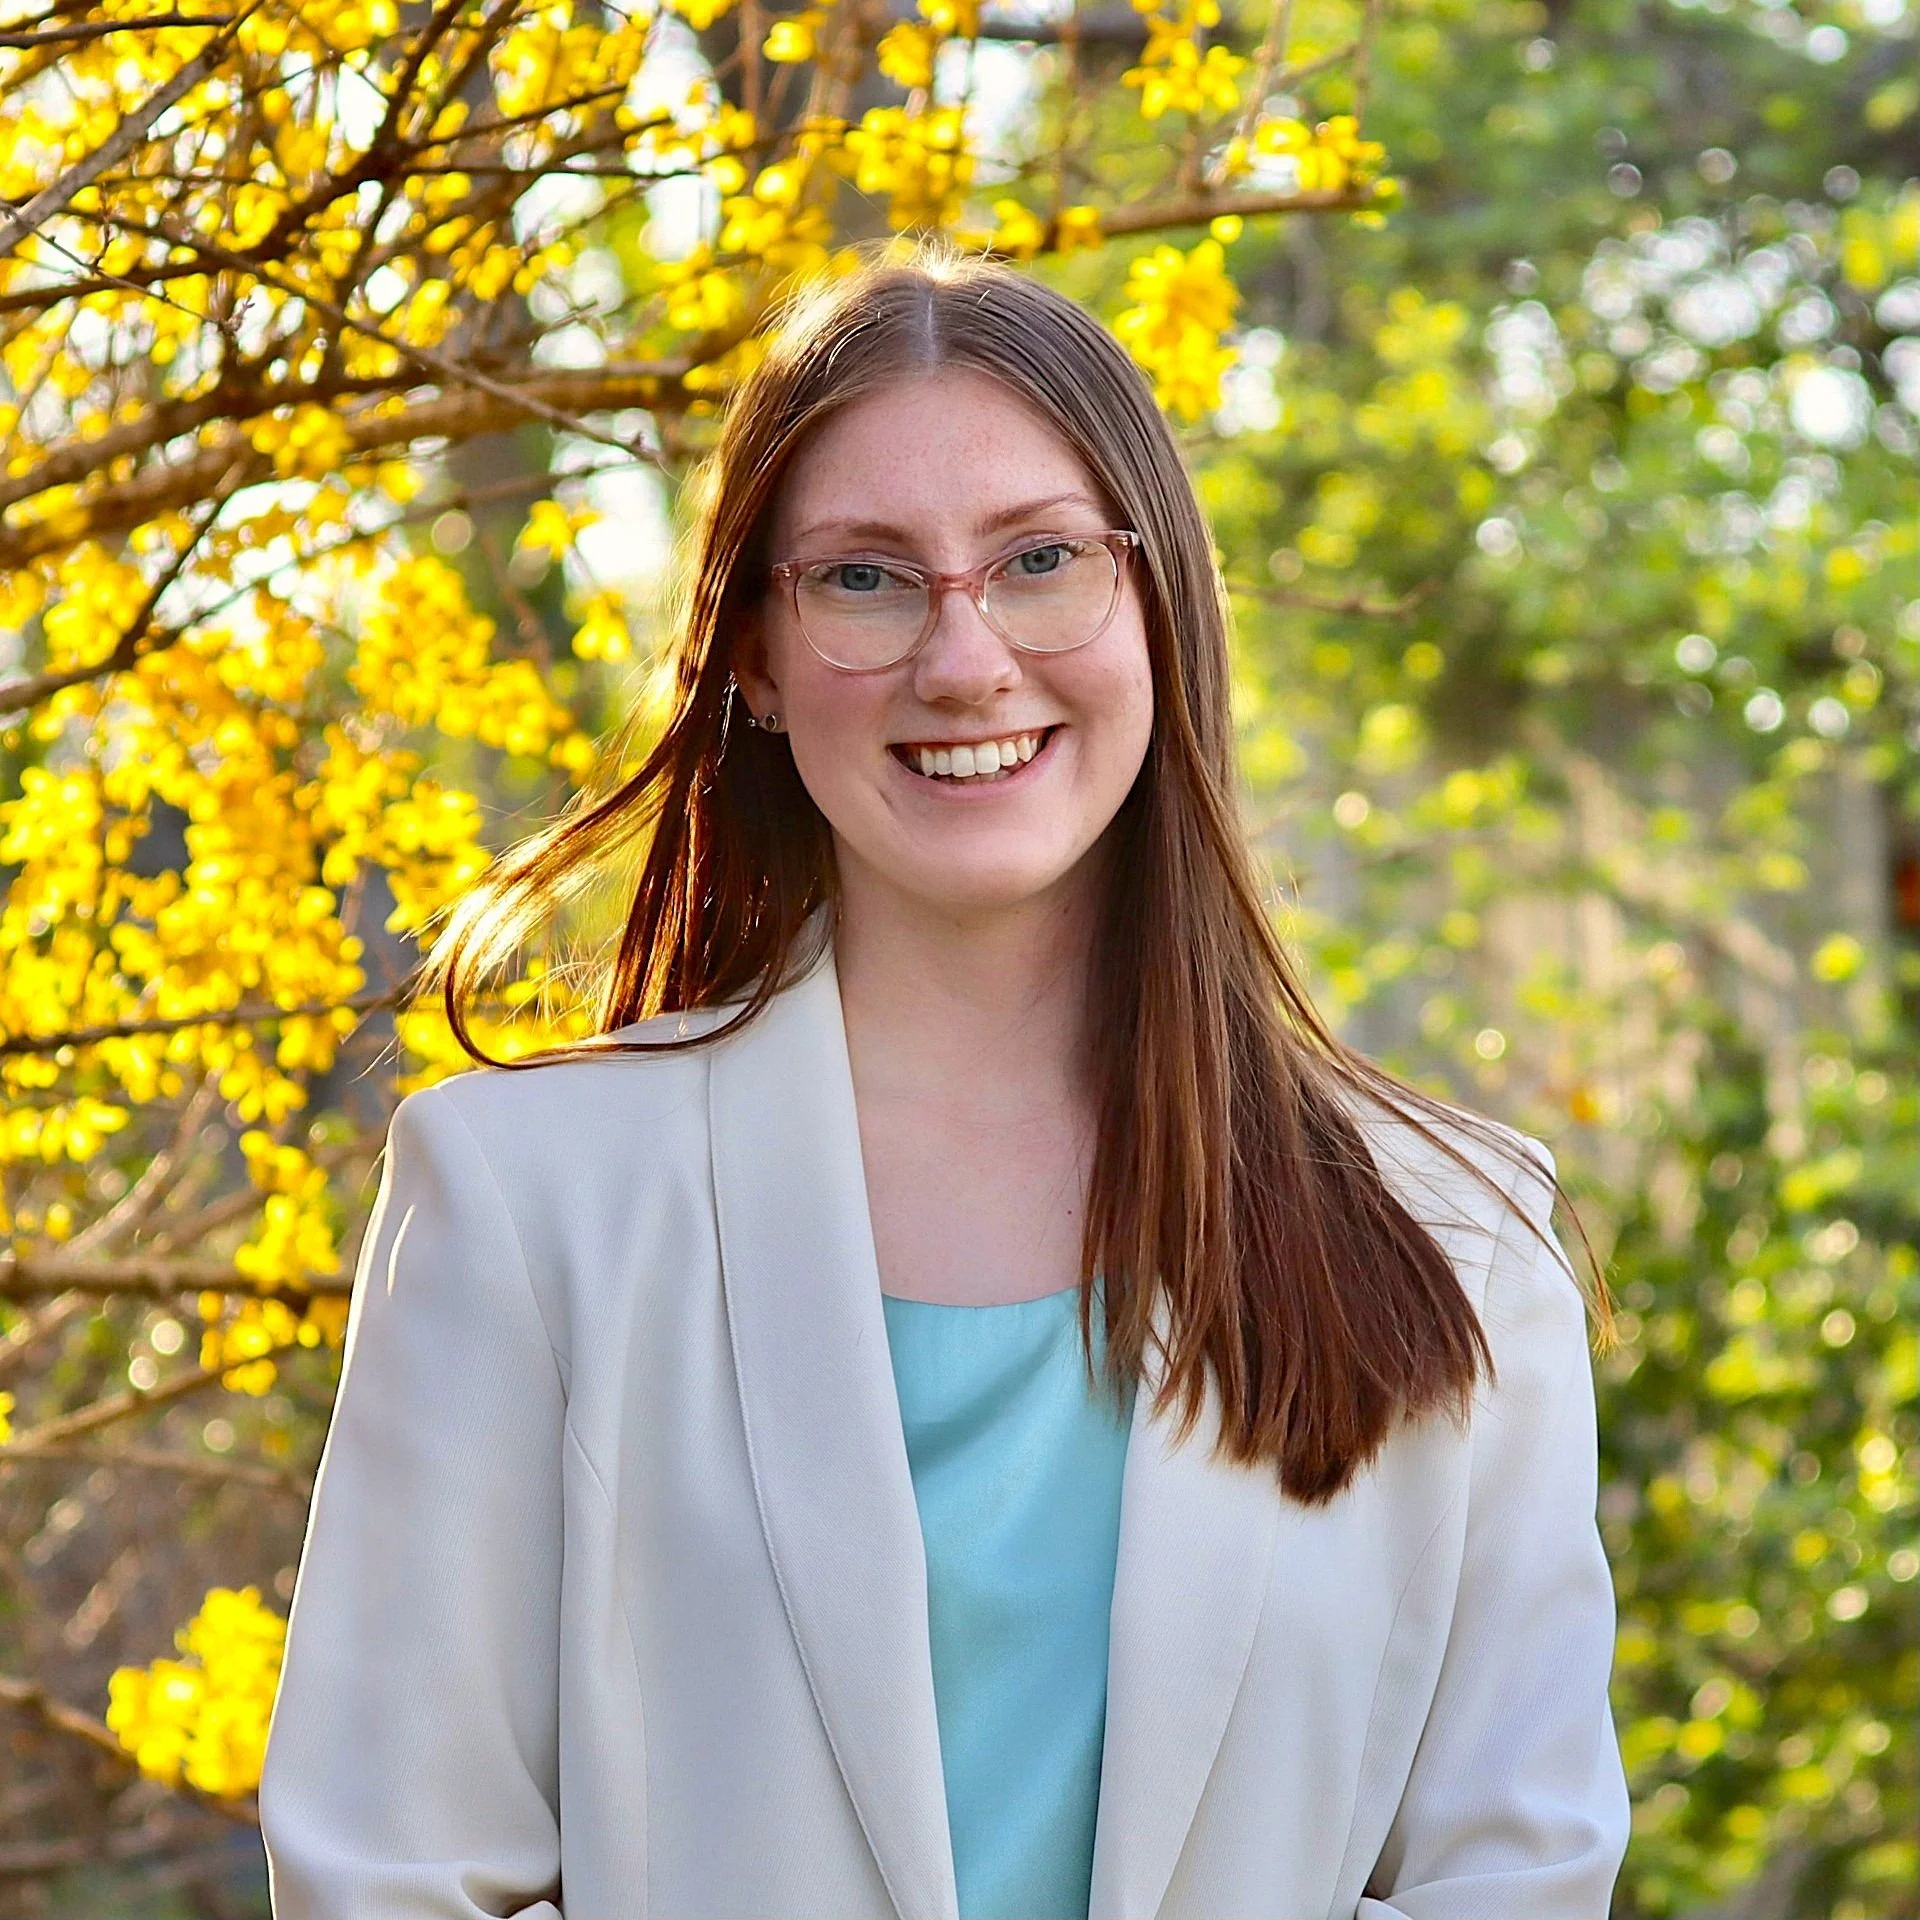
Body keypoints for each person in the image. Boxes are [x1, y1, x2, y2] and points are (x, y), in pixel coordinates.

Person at [258, 241, 1630, 1920]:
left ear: (1158, 606)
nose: (964, 660)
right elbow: (392, 1875)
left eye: (1041, 560)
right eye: (863, 579)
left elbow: (1517, 1878)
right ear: (751, 655)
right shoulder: (526, 1202)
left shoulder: (1461, 1238)